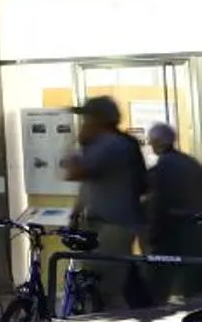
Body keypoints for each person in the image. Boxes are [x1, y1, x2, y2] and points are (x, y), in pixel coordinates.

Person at [62, 96, 149, 309]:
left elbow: (75, 172)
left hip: (112, 225)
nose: (84, 122)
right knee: (104, 283)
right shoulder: (112, 144)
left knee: (108, 289)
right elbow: (88, 184)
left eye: (87, 118)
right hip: (105, 224)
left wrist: (73, 144)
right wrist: (76, 213)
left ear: (100, 119)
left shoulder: (110, 144)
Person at [148, 123, 202, 302]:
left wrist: (153, 232)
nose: (150, 145)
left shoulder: (165, 164)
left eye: (152, 141)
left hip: (172, 228)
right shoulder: (190, 162)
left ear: (159, 142)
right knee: (193, 281)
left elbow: (160, 201)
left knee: (159, 281)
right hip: (195, 228)